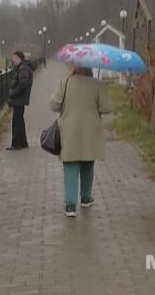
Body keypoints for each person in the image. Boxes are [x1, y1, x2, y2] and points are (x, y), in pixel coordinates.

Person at [49, 65, 114, 217]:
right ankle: (86, 198)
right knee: (88, 163)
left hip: (69, 130)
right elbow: (107, 107)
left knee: (71, 165)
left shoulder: (64, 82)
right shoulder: (97, 84)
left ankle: (70, 205)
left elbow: (54, 105)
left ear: (74, 67)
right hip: (91, 131)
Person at [7, 51, 34, 149]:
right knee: (19, 121)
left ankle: (17, 144)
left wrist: (13, 92)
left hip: (19, 98)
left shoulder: (23, 68)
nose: (13, 60)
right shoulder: (22, 67)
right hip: (20, 98)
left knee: (17, 122)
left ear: (19, 58)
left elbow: (23, 84)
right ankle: (23, 142)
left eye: (14, 58)